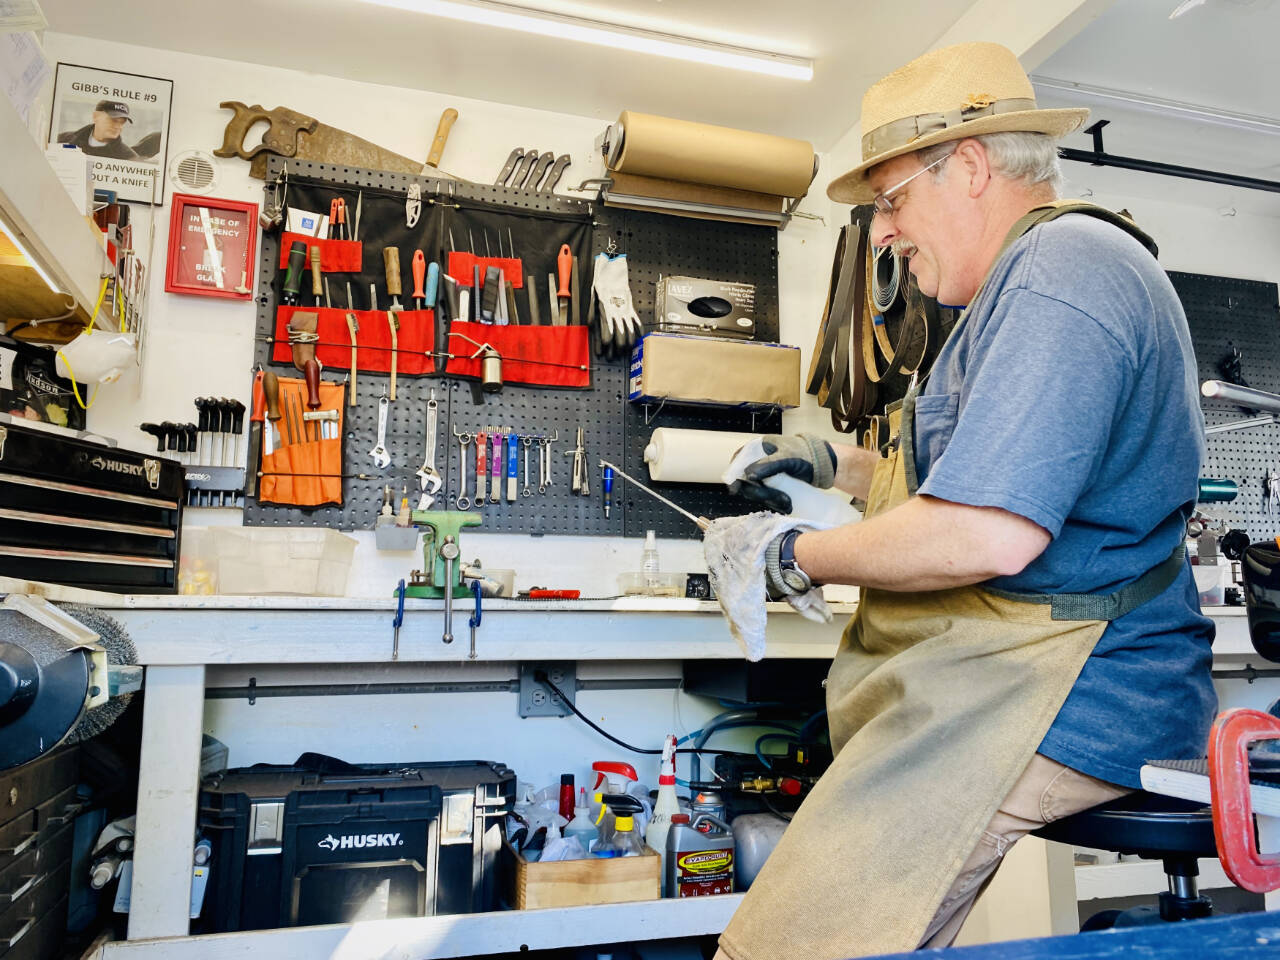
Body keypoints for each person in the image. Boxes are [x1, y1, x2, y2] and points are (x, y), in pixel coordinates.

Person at [709, 41, 1215, 960]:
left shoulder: (1065, 273)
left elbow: (986, 530)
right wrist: (829, 463)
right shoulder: (1017, 287)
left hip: (1072, 689)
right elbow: (971, 473)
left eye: (892, 201)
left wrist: (788, 553)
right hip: (1015, 672)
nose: (886, 233)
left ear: (972, 167)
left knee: (801, 940)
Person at [58, 99, 139, 160]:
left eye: (122, 122)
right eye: (113, 120)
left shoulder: (129, 157)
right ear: (96, 116)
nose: (118, 126)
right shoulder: (62, 139)